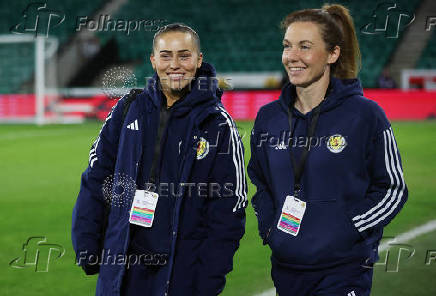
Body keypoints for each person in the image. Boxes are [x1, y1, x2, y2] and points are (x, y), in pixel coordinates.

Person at [72, 23, 247, 296]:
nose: (174, 65)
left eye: (184, 55)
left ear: (199, 60)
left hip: (180, 274)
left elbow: (229, 209)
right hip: (122, 271)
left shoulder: (218, 124)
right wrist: (87, 245)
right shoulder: (128, 109)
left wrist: (209, 279)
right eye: (166, 56)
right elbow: (97, 175)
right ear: (153, 61)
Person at [248, 4, 408, 296]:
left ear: (333, 54)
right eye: (287, 46)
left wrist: (347, 227)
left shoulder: (365, 115)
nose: (292, 56)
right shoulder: (268, 118)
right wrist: (270, 230)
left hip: (344, 270)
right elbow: (261, 183)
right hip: (286, 269)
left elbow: (392, 189)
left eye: (305, 47)